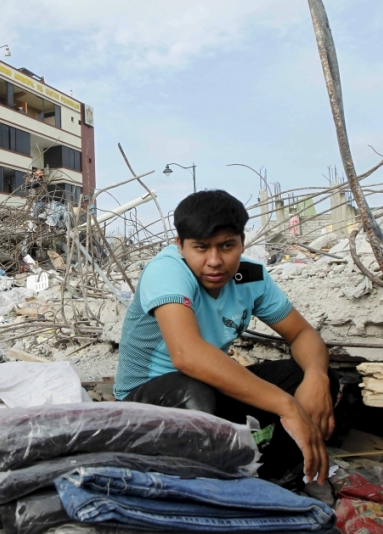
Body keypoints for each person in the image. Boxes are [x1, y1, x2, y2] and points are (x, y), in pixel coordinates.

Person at [114, 190, 339, 488]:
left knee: (310, 378)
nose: (215, 261)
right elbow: (187, 355)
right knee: (194, 393)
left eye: (227, 246)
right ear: (180, 245)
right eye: (201, 248)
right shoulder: (167, 269)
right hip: (144, 401)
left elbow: (302, 333)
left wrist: (316, 376)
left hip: (208, 391)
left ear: (242, 242)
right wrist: (287, 405)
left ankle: (275, 479)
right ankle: (214, 492)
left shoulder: (250, 276)